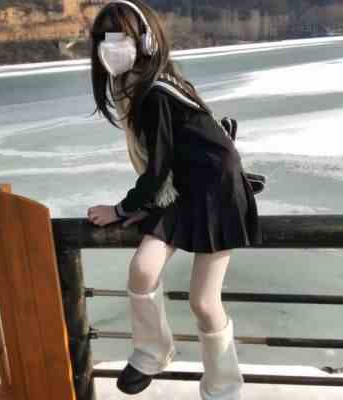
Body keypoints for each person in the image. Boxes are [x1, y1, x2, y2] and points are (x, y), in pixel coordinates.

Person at [87, 1, 262, 398]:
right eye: (103, 38)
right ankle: (152, 351)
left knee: (204, 301)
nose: (110, 46)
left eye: (120, 36)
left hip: (217, 194)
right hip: (181, 192)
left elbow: (158, 168)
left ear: (146, 40)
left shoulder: (158, 92)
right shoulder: (144, 88)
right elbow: (167, 167)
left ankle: (224, 386)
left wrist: (122, 209)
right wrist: (146, 206)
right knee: (142, 269)